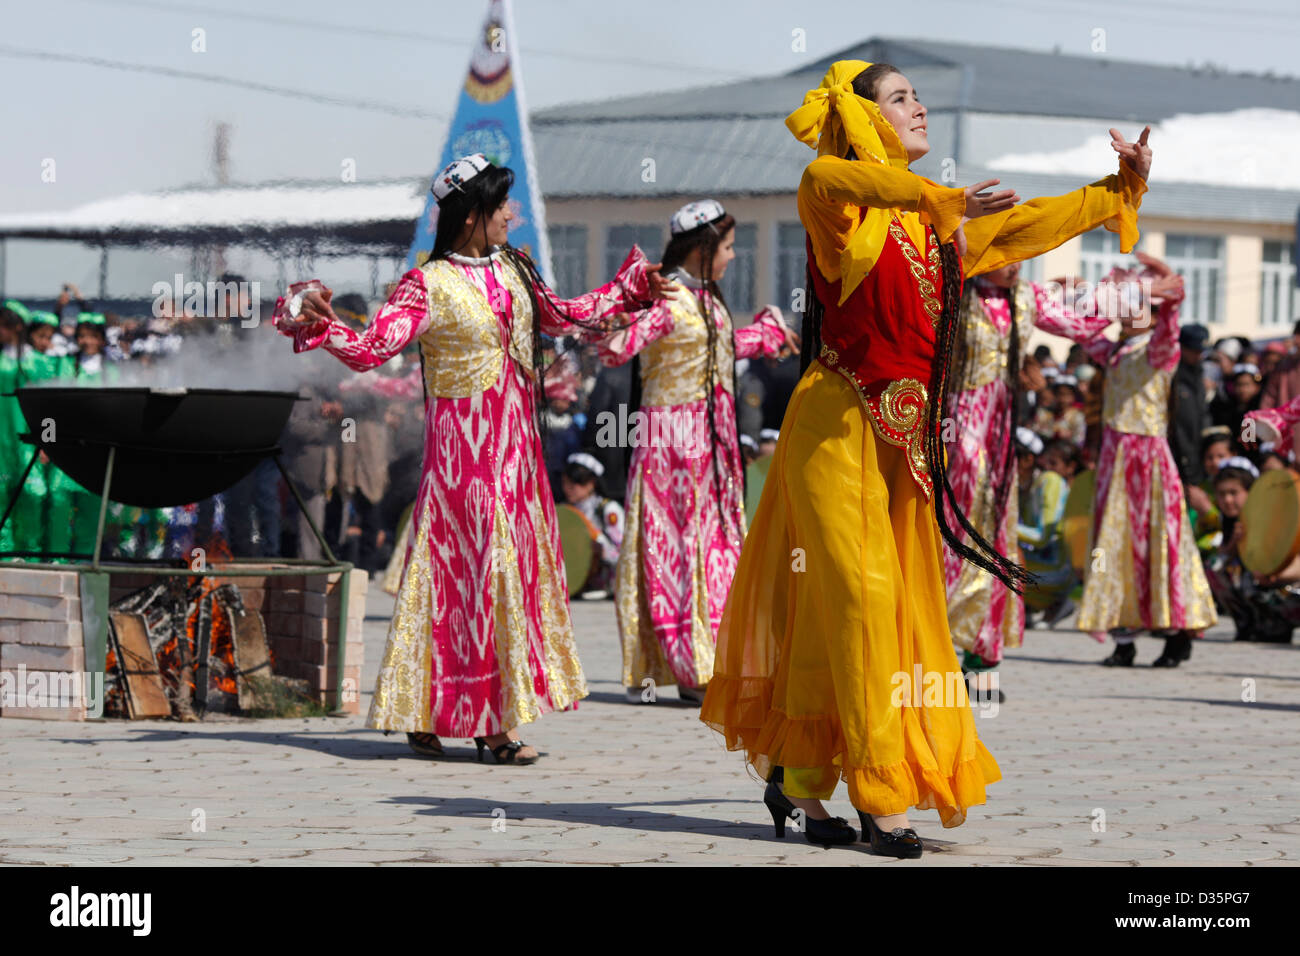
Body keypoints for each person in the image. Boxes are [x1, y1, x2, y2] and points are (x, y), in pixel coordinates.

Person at [700, 59, 1154, 855]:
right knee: (865, 602)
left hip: (903, 443)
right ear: (865, 118)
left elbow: (1027, 224)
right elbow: (837, 179)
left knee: (856, 614)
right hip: (833, 429)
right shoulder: (830, 195)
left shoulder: (933, 227)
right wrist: (945, 203)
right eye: (900, 97)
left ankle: (802, 783)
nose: (919, 106)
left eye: (917, 95)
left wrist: (1115, 188)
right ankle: (882, 795)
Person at [273, 153, 676, 764]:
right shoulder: (425, 284)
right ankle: (473, 722)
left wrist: (629, 291)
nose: (510, 213)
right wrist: (320, 326)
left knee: (489, 583)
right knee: (472, 582)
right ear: (469, 217)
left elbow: (563, 317)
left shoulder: (517, 268)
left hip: (516, 458)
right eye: (500, 206)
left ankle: (458, 715)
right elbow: (371, 349)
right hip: (463, 464)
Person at [588, 199, 797, 704]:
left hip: (713, 446)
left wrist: (767, 336)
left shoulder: (704, 301)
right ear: (703, 249)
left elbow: (718, 348)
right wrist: (626, 303)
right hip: (671, 450)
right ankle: (689, 666)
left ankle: (718, 660)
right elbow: (613, 350)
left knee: (720, 551)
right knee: (678, 554)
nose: (732, 257)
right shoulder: (669, 302)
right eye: (727, 248)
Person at [942, 259, 1106, 697]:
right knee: (952, 534)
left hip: (999, 436)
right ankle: (936, 647)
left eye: (1020, 254)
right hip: (956, 432)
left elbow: (1081, 328)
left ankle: (981, 652)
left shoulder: (1026, 297)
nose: (1014, 264)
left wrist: (1108, 297)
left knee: (996, 536)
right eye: (1004, 253)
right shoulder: (951, 289)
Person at [1053, 254, 1217, 665]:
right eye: (1124, 306)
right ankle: (1123, 642)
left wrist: (1166, 295)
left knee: (1161, 545)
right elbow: (1081, 331)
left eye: (1135, 306)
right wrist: (1077, 295)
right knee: (1113, 546)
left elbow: (1168, 326)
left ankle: (1177, 633)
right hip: (1114, 458)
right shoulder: (1114, 352)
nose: (1127, 313)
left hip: (1149, 461)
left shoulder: (1160, 350)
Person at [559, 452, 623, 597]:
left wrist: (602, 550)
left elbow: (625, 555)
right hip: (573, 589)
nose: (568, 488)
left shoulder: (607, 510)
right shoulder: (563, 511)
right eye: (565, 483)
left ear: (591, 483)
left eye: (575, 484)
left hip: (604, 590)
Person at [1170, 323, 1210, 486]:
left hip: (1197, 455)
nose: (1198, 355)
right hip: (1177, 455)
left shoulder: (1198, 374)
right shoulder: (1172, 375)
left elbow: (1202, 412)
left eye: (1201, 351)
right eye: (1194, 351)